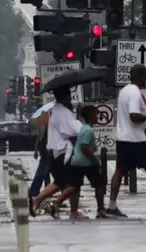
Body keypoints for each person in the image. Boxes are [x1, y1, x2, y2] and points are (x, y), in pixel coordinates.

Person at [104, 65, 146, 217]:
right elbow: (134, 116)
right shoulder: (135, 93)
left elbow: (130, 120)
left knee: (119, 170)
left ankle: (111, 205)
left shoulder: (124, 91)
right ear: (140, 76)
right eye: (145, 76)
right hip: (135, 141)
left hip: (123, 138)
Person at [28, 88, 83, 219]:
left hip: (56, 151)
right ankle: (41, 200)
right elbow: (72, 130)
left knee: (64, 182)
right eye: (69, 95)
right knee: (72, 182)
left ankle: (72, 210)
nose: (71, 97)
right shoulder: (63, 112)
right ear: (65, 96)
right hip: (62, 152)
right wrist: (79, 119)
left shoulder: (55, 110)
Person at [53, 104, 106, 219]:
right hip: (86, 162)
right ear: (91, 116)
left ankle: (57, 202)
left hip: (75, 161)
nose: (98, 117)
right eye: (96, 115)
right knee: (99, 184)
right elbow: (84, 147)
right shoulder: (88, 131)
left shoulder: (83, 128)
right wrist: (94, 159)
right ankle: (101, 209)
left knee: (74, 186)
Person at [27, 108, 52, 199]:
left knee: (46, 172)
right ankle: (35, 191)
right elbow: (39, 139)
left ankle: (42, 190)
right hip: (45, 152)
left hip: (48, 152)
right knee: (43, 172)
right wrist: (36, 150)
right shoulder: (44, 126)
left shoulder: (49, 126)